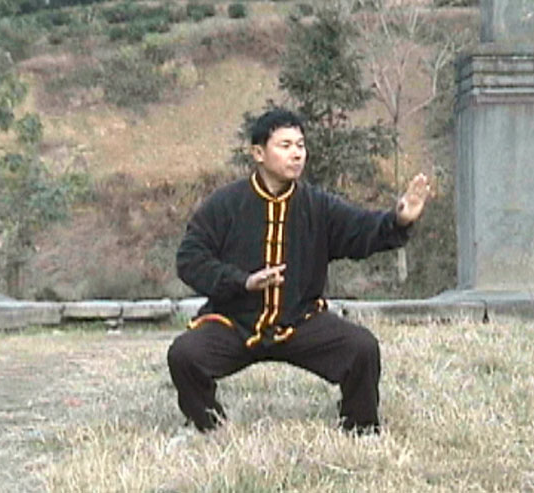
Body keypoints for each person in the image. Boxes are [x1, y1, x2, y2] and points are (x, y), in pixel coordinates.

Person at [167, 108, 431, 435]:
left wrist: (400, 219)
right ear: (258, 153)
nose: (296, 153)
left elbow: (362, 230)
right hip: (235, 323)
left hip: (301, 321)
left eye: (301, 145)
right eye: (285, 145)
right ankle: (206, 424)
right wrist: (243, 281)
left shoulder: (318, 206)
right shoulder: (225, 204)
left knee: (362, 348)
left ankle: (361, 426)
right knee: (184, 354)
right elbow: (190, 259)